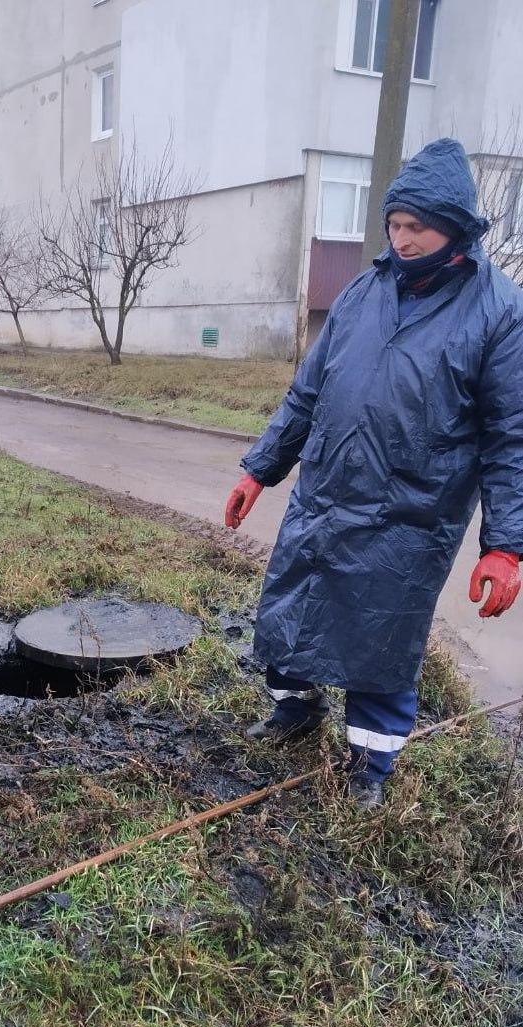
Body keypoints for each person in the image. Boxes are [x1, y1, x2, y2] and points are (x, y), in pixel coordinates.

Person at [224, 138, 523, 808]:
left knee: (381, 638)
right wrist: (259, 470)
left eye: (417, 226)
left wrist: (504, 546)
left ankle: (368, 767)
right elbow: (307, 391)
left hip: (410, 514)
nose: (402, 237)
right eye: (394, 223)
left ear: (455, 227)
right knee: (292, 609)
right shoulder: (363, 290)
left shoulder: (499, 311)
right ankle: (293, 712)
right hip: (326, 493)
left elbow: (510, 437)